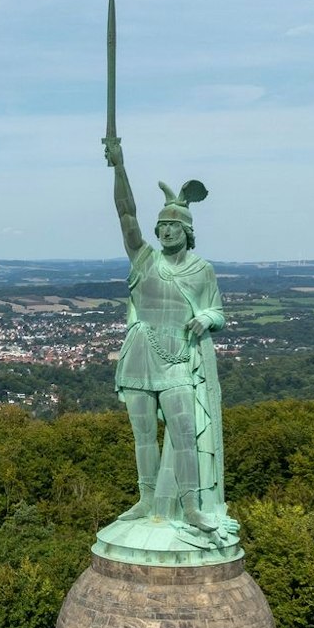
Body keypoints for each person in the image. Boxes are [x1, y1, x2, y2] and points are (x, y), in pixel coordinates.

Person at [101, 136, 237, 546]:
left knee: (184, 434)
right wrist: (119, 167)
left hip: (177, 357)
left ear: (187, 230)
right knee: (143, 435)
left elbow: (219, 313)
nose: (164, 230)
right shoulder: (145, 260)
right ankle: (146, 499)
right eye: (161, 225)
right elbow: (126, 214)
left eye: (172, 225)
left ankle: (192, 506)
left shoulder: (202, 270)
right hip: (141, 354)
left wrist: (206, 318)